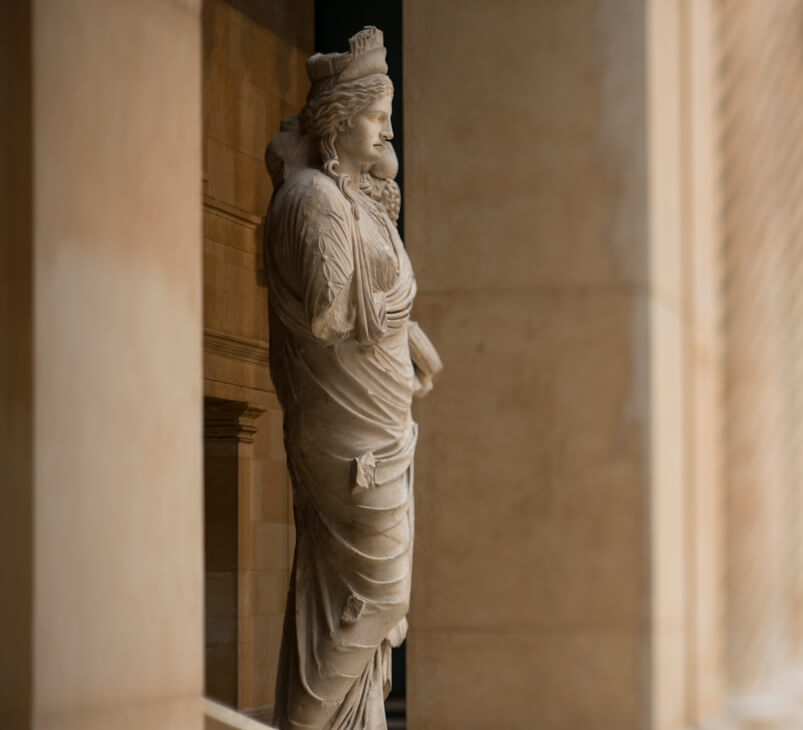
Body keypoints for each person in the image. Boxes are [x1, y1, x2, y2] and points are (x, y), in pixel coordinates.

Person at [262, 26, 439, 729]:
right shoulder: (314, 201)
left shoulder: (349, 202)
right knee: (381, 594)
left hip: (380, 427)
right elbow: (329, 315)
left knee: (360, 605)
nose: (388, 129)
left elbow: (371, 310)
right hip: (347, 437)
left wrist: (406, 336)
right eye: (375, 114)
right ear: (338, 120)